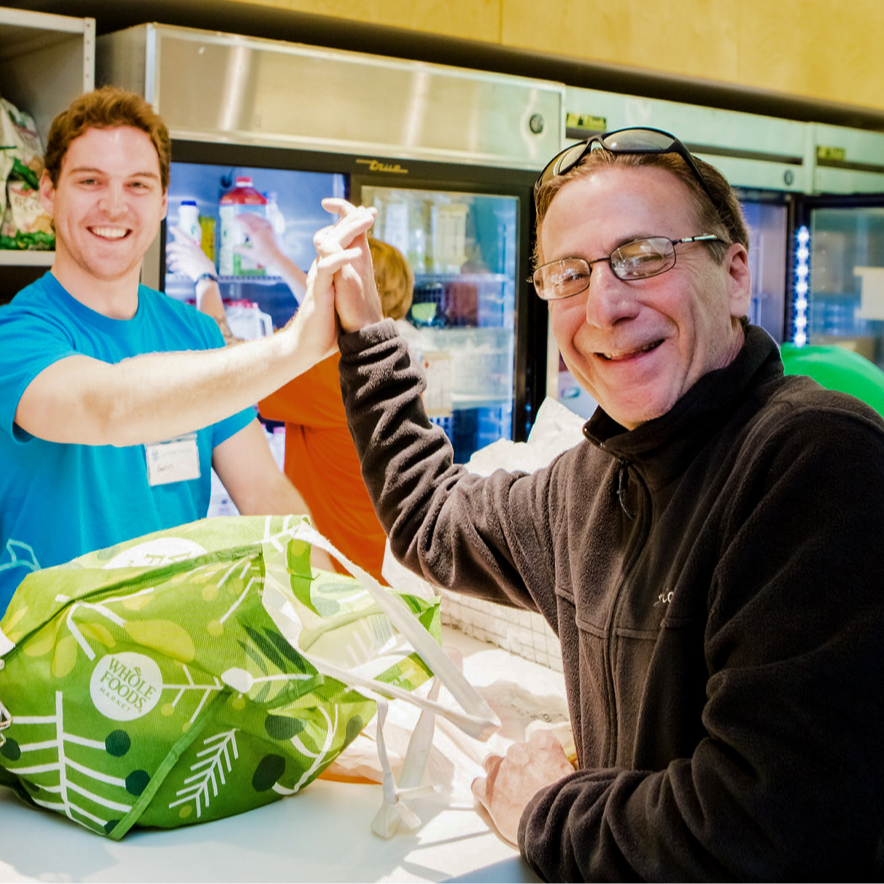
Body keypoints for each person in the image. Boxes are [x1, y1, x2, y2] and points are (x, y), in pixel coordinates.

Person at [312, 127, 884, 880]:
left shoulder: (815, 459)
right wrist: (365, 337)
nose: (606, 305)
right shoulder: (586, 487)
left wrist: (543, 807)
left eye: (643, 257)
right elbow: (431, 519)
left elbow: (763, 830)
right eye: (570, 275)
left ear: (736, 273)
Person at [0, 86, 373, 613]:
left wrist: (346, 620)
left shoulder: (194, 334)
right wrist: (294, 346)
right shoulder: (15, 335)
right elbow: (108, 408)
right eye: (89, 181)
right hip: (43, 679)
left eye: (137, 184)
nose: (113, 204)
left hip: (174, 671)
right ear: (48, 194)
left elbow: (266, 497)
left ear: (161, 203)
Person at [169, 216, 415, 581]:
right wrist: (274, 256)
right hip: (375, 563)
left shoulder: (333, 372)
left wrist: (206, 279)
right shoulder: (389, 360)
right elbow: (334, 315)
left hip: (334, 574)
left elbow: (231, 366)